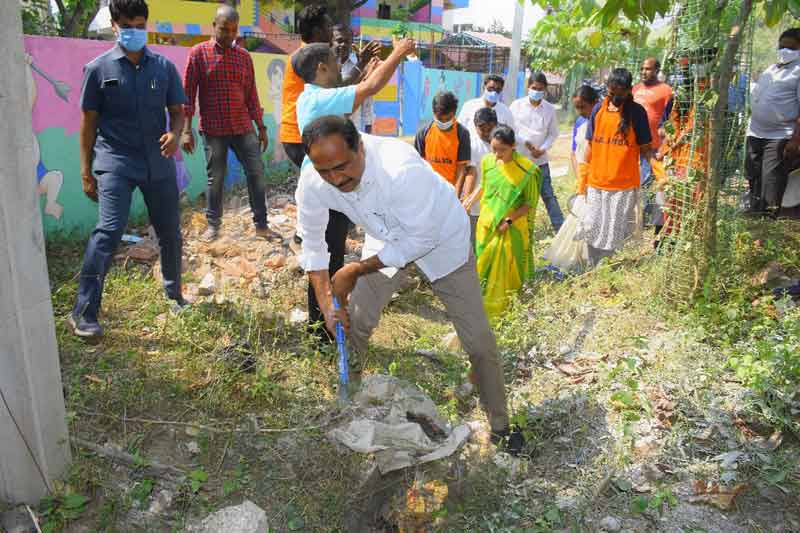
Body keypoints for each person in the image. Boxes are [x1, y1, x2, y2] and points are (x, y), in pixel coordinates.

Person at [295, 115, 523, 453]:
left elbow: (420, 240)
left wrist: (354, 270)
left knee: (477, 340)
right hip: (384, 239)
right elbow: (313, 246)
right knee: (355, 321)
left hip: (441, 240)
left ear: (360, 145)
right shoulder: (314, 179)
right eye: (324, 171)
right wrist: (328, 305)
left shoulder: (398, 170)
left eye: (342, 167)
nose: (335, 179)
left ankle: (502, 427)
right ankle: (350, 402)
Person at [69, 0, 187, 338]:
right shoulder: (98, 69)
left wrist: (175, 134)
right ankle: (83, 312)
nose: (135, 31)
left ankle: (174, 294)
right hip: (115, 162)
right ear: (115, 24)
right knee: (108, 231)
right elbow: (88, 125)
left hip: (158, 161)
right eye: (128, 25)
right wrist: (85, 170)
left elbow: (177, 110)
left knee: (170, 233)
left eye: (140, 24)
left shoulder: (163, 67)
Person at [293, 38, 416, 336]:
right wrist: (399, 53)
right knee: (326, 258)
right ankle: (323, 331)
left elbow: (359, 85)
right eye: (336, 63)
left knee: (328, 255)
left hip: (327, 184)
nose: (340, 67)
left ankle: (324, 327)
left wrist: (364, 70)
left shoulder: (311, 98)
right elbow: (370, 88)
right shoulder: (320, 99)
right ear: (322, 67)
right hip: (327, 187)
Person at [181, 5, 280, 243]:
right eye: (224, 29)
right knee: (215, 178)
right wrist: (186, 130)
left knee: (256, 173)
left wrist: (261, 127)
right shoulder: (198, 53)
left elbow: (251, 95)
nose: (229, 35)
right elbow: (188, 94)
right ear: (214, 26)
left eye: (234, 30)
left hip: (243, 127)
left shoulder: (244, 57)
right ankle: (214, 226)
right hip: (214, 130)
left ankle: (261, 225)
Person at [578, 68, 653, 267]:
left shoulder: (637, 113)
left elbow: (646, 148)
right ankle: (592, 266)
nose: (614, 97)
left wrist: (658, 171)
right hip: (596, 182)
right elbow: (589, 145)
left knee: (611, 232)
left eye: (619, 94)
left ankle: (604, 269)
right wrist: (583, 179)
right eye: (611, 93)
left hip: (622, 186)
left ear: (629, 91)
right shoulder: (598, 110)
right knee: (592, 226)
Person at [475, 126, 542, 319]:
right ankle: (478, 306)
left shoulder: (527, 171)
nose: (497, 155)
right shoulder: (488, 162)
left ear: (513, 146)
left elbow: (529, 204)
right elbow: (486, 190)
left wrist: (508, 220)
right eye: (493, 149)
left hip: (509, 229)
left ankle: (504, 310)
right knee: (482, 266)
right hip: (487, 225)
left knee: (504, 272)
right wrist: (471, 201)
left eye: (502, 150)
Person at [746, 28, 800, 215]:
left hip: (779, 135)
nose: (784, 50)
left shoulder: (798, 71)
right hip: (755, 131)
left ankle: (767, 220)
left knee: (771, 180)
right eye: (781, 46)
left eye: (791, 48)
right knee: (753, 174)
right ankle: (754, 214)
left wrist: (796, 139)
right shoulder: (772, 68)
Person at [510, 72, 564, 232]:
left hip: (540, 161)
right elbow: (511, 130)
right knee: (517, 196)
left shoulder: (549, 110)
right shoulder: (516, 106)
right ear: (528, 87)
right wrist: (526, 143)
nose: (537, 91)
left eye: (540, 89)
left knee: (548, 195)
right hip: (519, 159)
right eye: (534, 88)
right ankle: (515, 226)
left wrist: (542, 149)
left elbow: (553, 133)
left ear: (545, 90)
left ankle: (560, 227)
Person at [279, 4, 332, 169]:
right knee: (320, 184)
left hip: (306, 134)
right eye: (328, 27)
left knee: (320, 185)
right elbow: (337, 90)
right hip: (298, 136)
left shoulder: (312, 53)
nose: (332, 31)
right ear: (317, 32)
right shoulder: (306, 57)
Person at [414, 91, 471, 190]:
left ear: (454, 112)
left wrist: (455, 195)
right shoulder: (423, 132)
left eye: (448, 118)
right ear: (433, 112)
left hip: (450, 190)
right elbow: (419, 164)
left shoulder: (462, 133)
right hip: (428, 188)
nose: (444, 122)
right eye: (440, 119)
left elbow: (461, 168)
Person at [331, 24, 380, 133]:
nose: (343, 44)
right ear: (331, 41)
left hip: (351, 130)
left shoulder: (361, 65)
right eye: (339, 40)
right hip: (327, 129)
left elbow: (368, 100)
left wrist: (369, 130)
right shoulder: (322, 66)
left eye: (347, 41)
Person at [632, 58, 673, 186]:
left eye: (648, 69)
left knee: (646, 182)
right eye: (642, 69)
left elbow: (671, 118)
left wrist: (665, 144)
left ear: (656, 70)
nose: (644, 72)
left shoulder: (666, 90)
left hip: (652, 145)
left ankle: (647, 206)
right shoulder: (635, 89)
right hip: (632, 144)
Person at [463, 107, 498, 245]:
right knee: (475, 241)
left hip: (498, 202)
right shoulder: (473, 145)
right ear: (475, 127)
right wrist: (467, 199)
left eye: (489, 129)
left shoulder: (503, 143)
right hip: (477, 203)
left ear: (496, 125)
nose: (485, 133)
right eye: (481, 129)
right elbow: (471, 172)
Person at [571, 85, 599, 196]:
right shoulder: (579, 122)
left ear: (595, 103)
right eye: (577, 107)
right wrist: (580, 178)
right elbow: (574, 153)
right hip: (582, 178)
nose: (579, 111)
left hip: (597, 182)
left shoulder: (602, 123)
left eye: (583, 107)